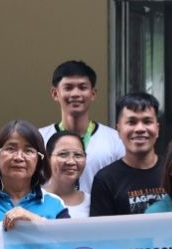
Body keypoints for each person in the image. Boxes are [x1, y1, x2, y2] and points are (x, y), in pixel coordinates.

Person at [37, 60, 124, 197]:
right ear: (55, 93)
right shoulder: (39, 139)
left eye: (82, 87)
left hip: (100, 216)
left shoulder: (115, 140)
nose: (76, 94)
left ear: (93, 93)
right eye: (68, 87)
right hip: (51, 217)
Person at [89, 93, 167, 216]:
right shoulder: (105, 180)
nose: (140, 129)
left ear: (157, 129)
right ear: (119, 130)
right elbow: (101, 233)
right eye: (131, 122)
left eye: (147, 121)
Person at [42, 130, 91, 219]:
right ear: (48, 159)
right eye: (63, 154)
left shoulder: (92, 203)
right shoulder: (34, 200)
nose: (71, 161)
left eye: (78, 155)